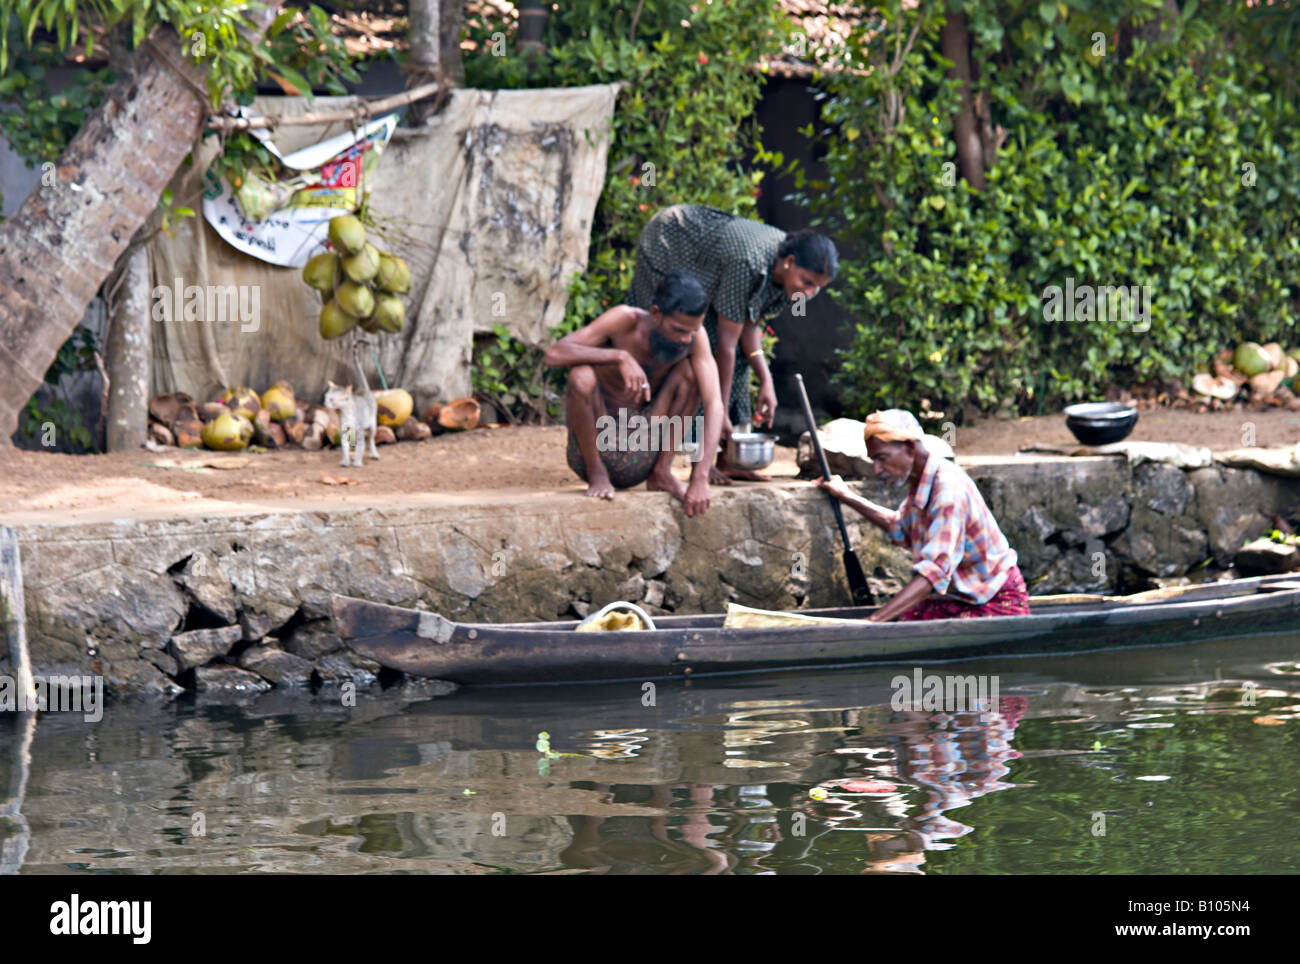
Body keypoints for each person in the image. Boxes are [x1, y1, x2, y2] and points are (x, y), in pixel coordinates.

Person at [630, 204, 838, 483]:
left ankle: (727, 459)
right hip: (669, 244)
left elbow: (748, 326)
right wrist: (722, 410)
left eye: (817, 287)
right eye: (807, 281)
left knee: (734, 357)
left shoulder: (782, 276)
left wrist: (766, 380)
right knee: (687, 345)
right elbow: (726, 346)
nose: (809, 293)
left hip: (711, 269)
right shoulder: (749, 262)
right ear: (789, 261)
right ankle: (667, 456)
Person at [816, 409, 1029, 621]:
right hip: (958, 597)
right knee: (902, 622)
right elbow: (898, 527)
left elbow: (933, 573)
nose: (877, 470)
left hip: (993, 600)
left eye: (882, 458)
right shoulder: (922, 482)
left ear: (910, 448)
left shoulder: (947, 491)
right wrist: (846, 496)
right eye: (874, 461)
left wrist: (872, 623)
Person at [544, 270, 723, 517]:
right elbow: (554, 354)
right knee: (580, 375)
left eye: (692, 331)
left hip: (643, 445)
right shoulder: (624, 319)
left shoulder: (694, 337)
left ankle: (662, 472)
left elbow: (714, 404)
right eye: (679, 329)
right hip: (597, 443)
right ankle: (598, 474)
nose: (685, 339)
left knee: (691, 374)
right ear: (657, 313)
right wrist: (619, 356)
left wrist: (700, 476)